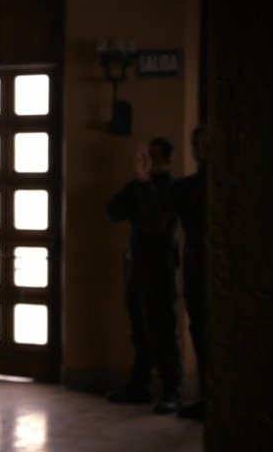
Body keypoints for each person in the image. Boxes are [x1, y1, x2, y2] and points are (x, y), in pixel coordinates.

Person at [106, 137, 183, 415]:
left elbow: (156, 221)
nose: (148, 161)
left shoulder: (172, 189)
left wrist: (144, 183)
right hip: (135, 268)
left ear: (167, 161)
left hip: (160, 270)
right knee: (140, 331)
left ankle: (173, 389)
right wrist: (138, 182)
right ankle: (139, 386)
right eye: (145, 156)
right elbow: (113, 211)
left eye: (154, 156)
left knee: (163, 329)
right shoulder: (138, 186)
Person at [173, 127, 208, 421]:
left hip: (211, 266)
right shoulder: (185, 188)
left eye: (204, 141)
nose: (199, 146)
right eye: (195, 141)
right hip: (197, 266)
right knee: (200, 330)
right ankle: (208, 396)